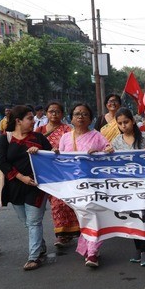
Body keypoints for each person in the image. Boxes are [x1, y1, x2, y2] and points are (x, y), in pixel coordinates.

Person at [0, 105, 53, 271]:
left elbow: (51, 157)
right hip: (15, 187)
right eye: (29, 118)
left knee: (34, 221)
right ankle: (40, 248)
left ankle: (33, 257)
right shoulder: (5, 139)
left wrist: (40, 152)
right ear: (18, 121)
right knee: (27, 222)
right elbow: (3, 163)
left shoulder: (39, 138)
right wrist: (21, 177)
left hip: (36, 186)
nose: (33, 120)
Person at [103, 108, 145, 267]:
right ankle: (138, 249)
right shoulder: (116, 142)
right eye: (120, 123)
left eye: (125, 122)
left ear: (132, 121)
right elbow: (111, 163)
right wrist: (107, 153)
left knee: (143, 216)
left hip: (144, 185)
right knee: (133, 217)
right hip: (126, 186)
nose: (123, 126)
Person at [58, 103, 110, 267]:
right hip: (73, 186)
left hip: (94, 185)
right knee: (83, 217)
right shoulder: (65, 138)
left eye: (84, 114)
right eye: (77, 113)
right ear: (71, 118)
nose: (80, 116)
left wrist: (104, 150)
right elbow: (59, 160)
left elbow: (110, 149)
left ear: (91, 118)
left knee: (92, 215)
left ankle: (92, 253)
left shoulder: (97, 136)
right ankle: (89, 247)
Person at [35, 102, 81, 247]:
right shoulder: (40, 130)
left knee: (69, 202)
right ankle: (61, 235)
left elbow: (74, 147)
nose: (54, 114)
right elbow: (35, 147)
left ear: (62, 114)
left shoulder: (67, 130)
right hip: (48, 172)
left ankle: (75, 231)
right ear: (46, 113)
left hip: (66, 171)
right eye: (51, 111)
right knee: (55, 203)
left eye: (57, 111)